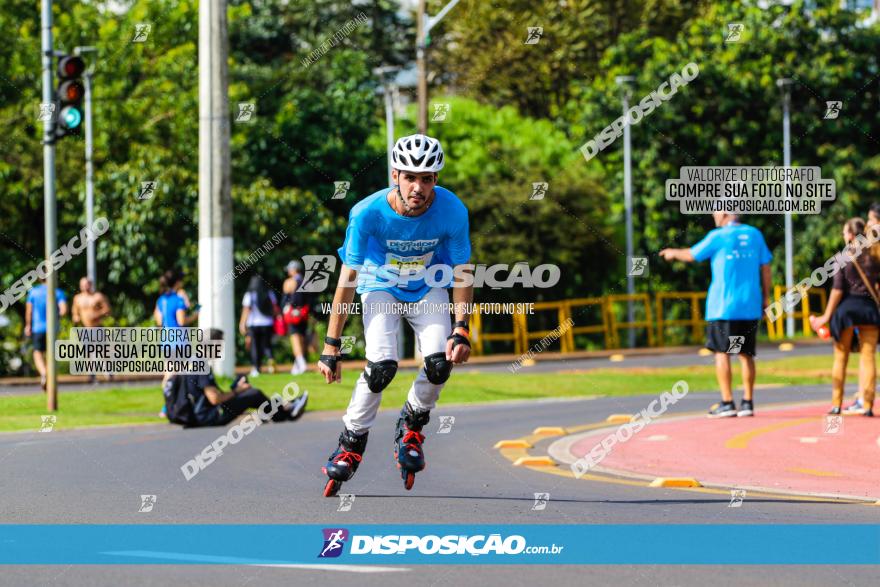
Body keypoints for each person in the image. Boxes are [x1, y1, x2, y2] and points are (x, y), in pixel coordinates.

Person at [318, 134, 473, 496]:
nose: (418, 187)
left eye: (427, 178)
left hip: (428, 284)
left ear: (436, 178)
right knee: (381, 367)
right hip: (379, 285)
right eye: (410, 177)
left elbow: (464, 271)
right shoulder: (366, 213)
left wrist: (462, 328)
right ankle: (351, 441)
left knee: (439, 362)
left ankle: (413, 422)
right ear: (394, 175)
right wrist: (331, 344)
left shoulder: (453, 211)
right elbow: (348, 279)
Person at [660, 211, 772, 418]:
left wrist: (672, 252)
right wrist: (766, 298)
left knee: (723, 353)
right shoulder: (755, 234)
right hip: (749, 305)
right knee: (746, 354)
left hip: (724, 307)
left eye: (716, 211)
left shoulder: (718, 236)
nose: (713, 215)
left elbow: (693, 254)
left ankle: (727, 402)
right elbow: (766, 267)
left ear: (725, 213)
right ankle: (747, 402)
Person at [164, 332, 308, 427]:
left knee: (242, 379)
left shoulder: (194, 361)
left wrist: (235, 389)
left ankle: (281, 407)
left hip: (200, 413)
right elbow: (214, 399)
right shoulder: (201, 365)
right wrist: (237, 391)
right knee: (253, 394)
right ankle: (285, 413)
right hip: (208, 416)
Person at [809, 218, 878, 417]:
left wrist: (826, 317)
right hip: (869, 311)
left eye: (843, 232)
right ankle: (867, 405)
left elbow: (837, 290)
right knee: (868, 358)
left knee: (841, 358)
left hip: (847, 312)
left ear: (849, 235)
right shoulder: (873, 256)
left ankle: (837, 404)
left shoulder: (842, 257)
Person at [843, 203, 880, 413]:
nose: (868, 224)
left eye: (872, 219)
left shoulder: (871, 248)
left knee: (867, 354)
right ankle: (863, 399)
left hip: (865, 307)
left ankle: (864, 400)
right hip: (870, 307)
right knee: (868, 355)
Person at [25, 278, 68, 391]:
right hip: (52, 328)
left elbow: (29, 311)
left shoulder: (33, 292)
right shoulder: (58, 292)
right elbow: (63, 310)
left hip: (38, 328)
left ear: (40, 279)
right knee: (51, 353)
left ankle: (44, 373)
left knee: (37, 352)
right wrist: (55, 316)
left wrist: (28, 325)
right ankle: (48, 374)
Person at [239, 274, 280, 377]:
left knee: (255, 346)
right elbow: (275, 308)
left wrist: (242, 323)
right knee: (267, 345)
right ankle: (271, 360)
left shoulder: (249, 295)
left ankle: (256, 368)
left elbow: (246, 310)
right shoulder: (269, 293)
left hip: (254, 324)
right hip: (267, 323)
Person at [282, 260, 309, 375]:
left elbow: (285, 299)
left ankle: (301, 363)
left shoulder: (290, 282)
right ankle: (297, 366)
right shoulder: (306, 281)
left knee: (295, 338)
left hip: (293, 314)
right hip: (303, 314)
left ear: (293, 270)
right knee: (301, 338)